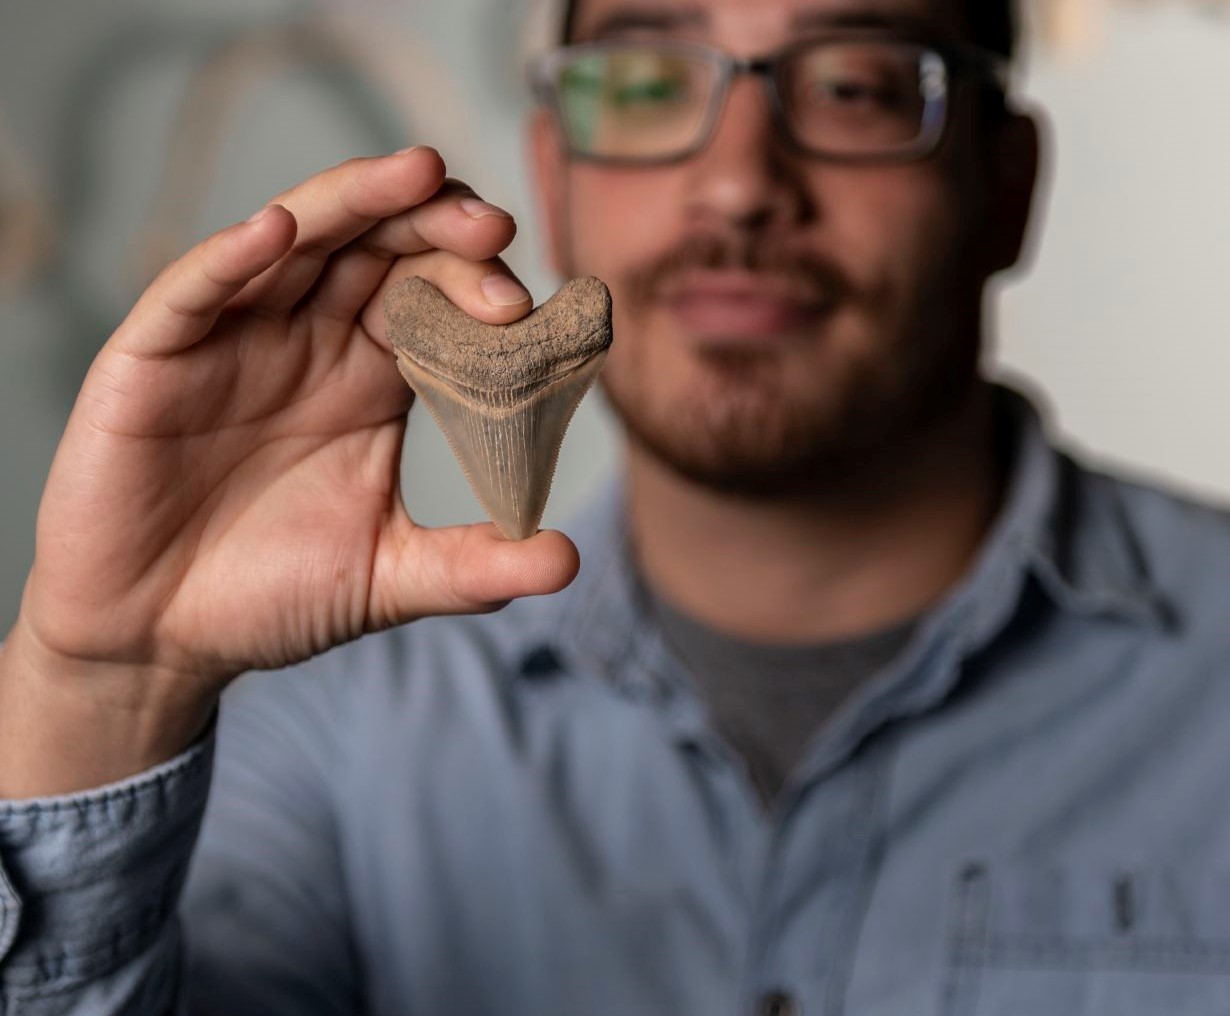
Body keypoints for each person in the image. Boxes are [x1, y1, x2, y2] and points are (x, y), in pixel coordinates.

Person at [2, 0, 1230, 1012]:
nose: (740, 185)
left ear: (1007, 184)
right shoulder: (326, 745)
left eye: (857, 83)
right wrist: (105, 681)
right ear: (554, 171)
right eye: (644, 83)